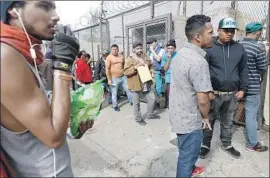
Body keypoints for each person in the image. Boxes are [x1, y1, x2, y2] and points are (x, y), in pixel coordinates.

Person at [1, 1, 93, 177]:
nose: (56, 15)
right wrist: (63, 66)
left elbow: (39, 124)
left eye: (54, 7)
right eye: (44, 6)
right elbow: (53, 137)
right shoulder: (5, 56)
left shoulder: (23, 54)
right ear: (14, 10)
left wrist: (71, 127)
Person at [169, 14, 214, 177]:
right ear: (197, 36)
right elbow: (203, 100)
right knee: (186, 159)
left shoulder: (179, 54)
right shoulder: (198, 62)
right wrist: (205, 117)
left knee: (185, 153)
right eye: (210, 32)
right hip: (190, 120)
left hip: (177, 115)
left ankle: (189, 169)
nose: (213, 35)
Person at [200, 17, 249, 159]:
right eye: (226, 31)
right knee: (209, 120)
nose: (229, 34)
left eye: (232, 31)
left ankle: (226, 144)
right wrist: (207, 90)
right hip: (213, 94)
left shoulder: (239, 48)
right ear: (218, 30)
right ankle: (205, 145)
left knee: (228, 122)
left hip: (232, 94)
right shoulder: (209, 47)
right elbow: (202, 71)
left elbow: (244, 69)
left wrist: (242, 89)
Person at [239, 22, 268, 152]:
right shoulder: (258, 47)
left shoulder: (237, 45)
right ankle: (252, 144)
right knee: (251, 115)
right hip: (253, 86)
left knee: (229, 113)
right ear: (258, 32)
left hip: (237, 86)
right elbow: (263, 66)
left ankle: (226, 141)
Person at [124, 42, 161, 125]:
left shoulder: (145, 56)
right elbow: (126, 72)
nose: (139, 50)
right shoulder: (129, 59)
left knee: (152, 99)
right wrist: (135, 67)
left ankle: (150, 115)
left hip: (146, 83)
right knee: (136, 103)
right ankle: (138, 119)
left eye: (140, 48)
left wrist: (151, 71)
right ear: (134, 49)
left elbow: (151, 65)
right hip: (135, 84)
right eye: (137, 49)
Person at [106, 44, 133, 111]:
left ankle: (132, 101)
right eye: (113, 49)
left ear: (118, 49)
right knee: (114, 92)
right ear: (111, 50)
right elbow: (107, 69)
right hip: (114, 78)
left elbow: (124, 64)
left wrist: (126, 72)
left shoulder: (121, 56)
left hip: (123, 77)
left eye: (116, 49)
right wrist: (109, 79)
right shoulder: (109, 57)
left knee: (128, 89)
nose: (115, 51)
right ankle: (115, 106)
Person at [161, 39, 178, 108]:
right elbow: (165, 69)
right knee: (170, 94)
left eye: (171, 48)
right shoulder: (165, 56)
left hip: (177, 77)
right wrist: (168, 59)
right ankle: (170, 106)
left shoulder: (178, 54)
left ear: (175, 48)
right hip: (169, 78)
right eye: (168, 48)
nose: (170, 50)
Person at [148, 38, 165, 106]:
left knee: (158, 88)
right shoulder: (150, 52)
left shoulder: (161, 50)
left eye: (151, 43)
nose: (150, 45)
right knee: (152, 88)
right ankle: (156, 101)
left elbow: (158, 59)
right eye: (149, 43)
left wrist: (152, 50)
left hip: (158, 72)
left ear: (155, 42)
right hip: (152, 71)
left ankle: (160, 103)